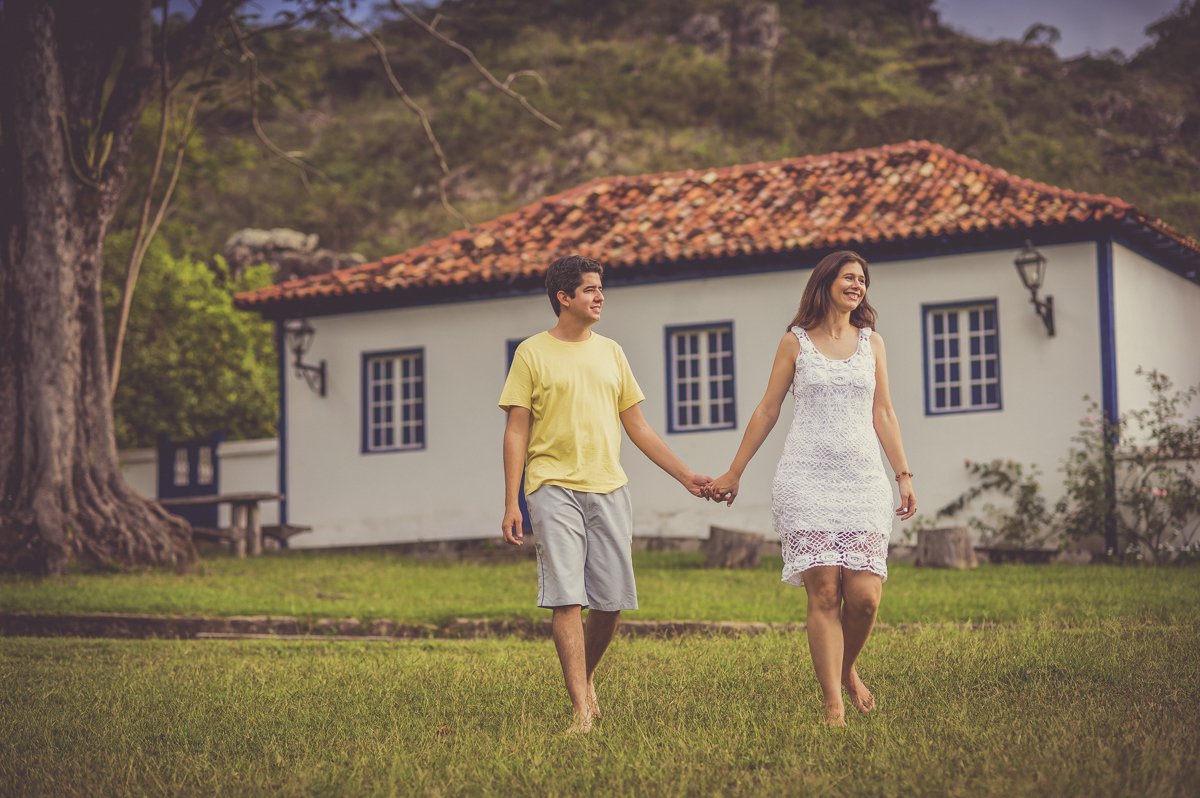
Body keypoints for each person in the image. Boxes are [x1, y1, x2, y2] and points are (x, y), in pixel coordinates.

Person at [499, 254, 713, 735]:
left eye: (601, 289)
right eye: (591, 289)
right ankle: (580, 711)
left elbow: (637, 426)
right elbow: (516, 431)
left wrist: (685, 475)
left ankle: (586, 677)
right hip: (551, 486)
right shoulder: (531, 353)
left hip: (609, 485)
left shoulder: (612, 352)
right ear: (564, 298)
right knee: (567, 598)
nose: (600, 296)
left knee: (612, 601)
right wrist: (512, 501)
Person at [706, 250, 916, 727]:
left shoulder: (872, 343)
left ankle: (846, 669)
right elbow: (767, 410)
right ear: (825, 283)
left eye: (863, 279)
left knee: (865, 596)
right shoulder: (795, 342)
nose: (858, 285)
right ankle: (833, 707)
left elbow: (883, 412)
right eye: (849, 277)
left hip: (863, 480)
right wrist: (735, 471)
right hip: (806, 478)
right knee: (823, 594)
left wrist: (902, 474)